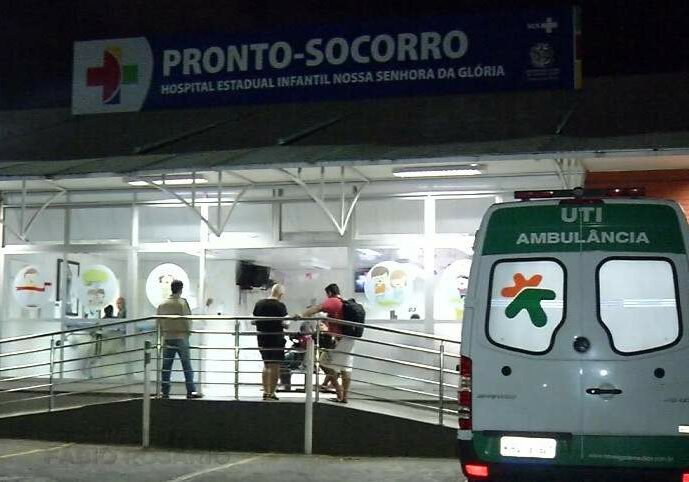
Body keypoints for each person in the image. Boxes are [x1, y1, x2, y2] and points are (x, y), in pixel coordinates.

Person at [300, 283, 354, 404]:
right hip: (350, 339)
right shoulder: (343, 302)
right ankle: (343, 397)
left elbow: (316, 308)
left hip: (340, 340)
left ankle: (339, 391)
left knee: (323, 363)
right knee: (345, 368)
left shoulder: (333, 301)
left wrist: (301, 315)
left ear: (329, 293)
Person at [156, 279, 202, 399]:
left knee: (166, 367)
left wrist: (161, 334)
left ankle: (165, 391)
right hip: (181, 337)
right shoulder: (182, 303)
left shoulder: (163, 304)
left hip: (167, 337)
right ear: (181, 289)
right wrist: (188, 332)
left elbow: (159, 322)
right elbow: (187, 320)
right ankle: (190, 391)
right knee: (186, 365)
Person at [252, 284, 288, 400]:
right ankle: (271, 393)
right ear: (281, 294)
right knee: (275, 366)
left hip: (262, 338)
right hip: (276, 339)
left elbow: (253, 321)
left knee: (266, 365)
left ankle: (265, 391)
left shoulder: (259, 304)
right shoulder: (280, 306)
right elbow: (285, 323)